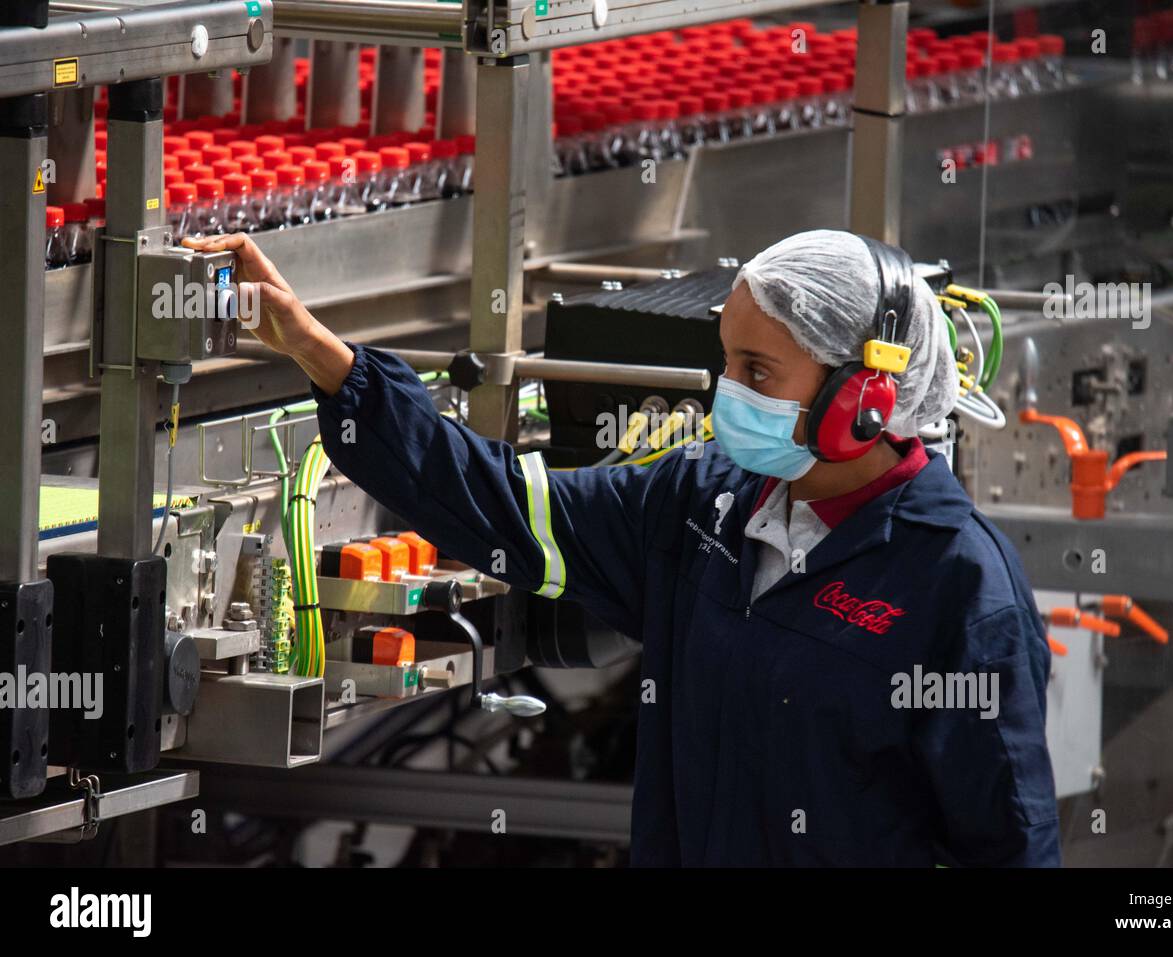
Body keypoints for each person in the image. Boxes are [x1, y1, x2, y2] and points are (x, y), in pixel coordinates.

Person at [183, 228, 1061, 866]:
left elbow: (1010, 842)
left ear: (864, 398)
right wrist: (322, 355)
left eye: (759, 373)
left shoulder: (957, 587)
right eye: (727, 364)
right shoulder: (702, 506)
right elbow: (504, 503)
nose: (728, 396)